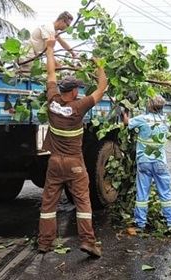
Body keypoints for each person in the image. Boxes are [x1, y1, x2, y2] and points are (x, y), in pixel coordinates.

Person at [37, 36, 107, 257]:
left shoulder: (52, 101)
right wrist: (100, 65)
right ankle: (87, 241)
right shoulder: (80, 106)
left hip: (55, 163)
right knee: (83, 202)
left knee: (48, 204)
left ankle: (45, 242)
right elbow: (102, 88)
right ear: (75, 91)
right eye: (77, 88)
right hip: (75, 164)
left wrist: (49, 49)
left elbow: (50, 74)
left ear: (61, 89)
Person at [122, 96, 171, 231]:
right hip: (160, 162)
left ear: (150, 106)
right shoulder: (166, 121)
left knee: (142, 193)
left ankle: (140, 224)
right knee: (166, 193)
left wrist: (124, 112)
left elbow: (126, 122)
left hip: (144, 162)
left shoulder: (142, 119)